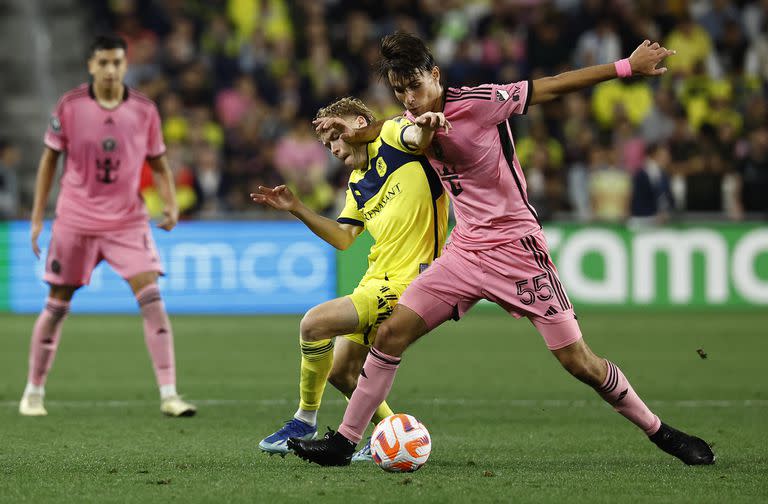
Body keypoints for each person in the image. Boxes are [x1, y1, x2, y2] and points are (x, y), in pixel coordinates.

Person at [290, 32, 715, 466]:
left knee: (579, 362)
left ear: (435, 75)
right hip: (464, 251)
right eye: (400, 91)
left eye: (415, 87)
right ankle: (344, 441)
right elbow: (403, 131)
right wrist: (360, 129)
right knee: (391, 333)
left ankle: (661, 433)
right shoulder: (410, 120)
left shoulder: (481, 102)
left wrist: (625, 66)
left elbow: (551, 85)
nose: (410, 98)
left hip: (517, 250)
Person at [251, 97, 449, 460]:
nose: (333, 149)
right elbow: (344, 238)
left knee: (314, 323)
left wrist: (427, 122)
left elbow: (418, 136)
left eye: (336, 138)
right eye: (327, 145)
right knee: (342, 373)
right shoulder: (358, 181)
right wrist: (297, 208)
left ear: (359, 123)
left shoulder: (393, 139)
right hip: (376, 279)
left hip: (412, 282)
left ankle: (305, 418)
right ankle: (390, 431)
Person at [19, 34, 196, 418]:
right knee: (56, 305)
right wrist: (37, 218)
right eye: (104, 63)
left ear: (125, 65)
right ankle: (33, 391)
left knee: (152, 299)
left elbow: (160, 163)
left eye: (117, 62)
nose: (111, 70)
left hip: (127, 221)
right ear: (91, 65)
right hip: (76, 220)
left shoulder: (145, 111)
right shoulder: (70, 106)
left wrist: (169, 205)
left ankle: (169, 393)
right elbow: (49, 162)